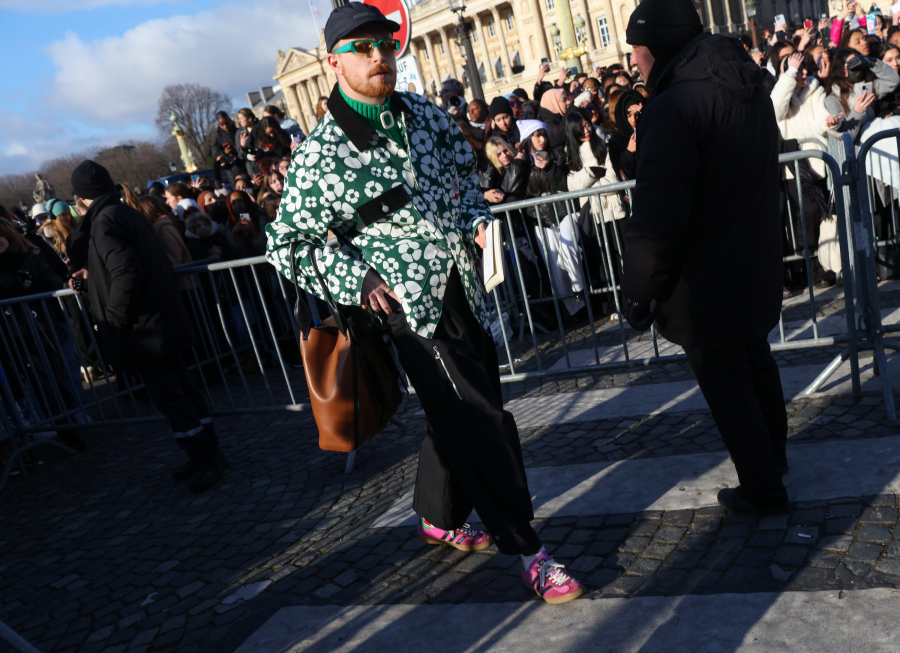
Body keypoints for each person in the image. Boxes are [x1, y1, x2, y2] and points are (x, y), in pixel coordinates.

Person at [266, 2, 584, 604]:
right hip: (410, 308)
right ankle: (528, 550)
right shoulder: (319, 155)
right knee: (483, 419)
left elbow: (464, 182)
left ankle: (437, 513)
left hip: (465, 285)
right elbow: (285, 246)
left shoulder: (423, 115)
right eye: (362, 49)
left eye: (384, 45)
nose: (379, 56)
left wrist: (477, 220)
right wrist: (355, 279)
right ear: (335, 63)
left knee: (458, 410)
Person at [622, 0, 789, 516]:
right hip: (753, 257)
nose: (635, 66)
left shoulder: (673, 108)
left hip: (704, 279)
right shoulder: (747, 86)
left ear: (659, 50)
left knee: (729, 385)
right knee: (756, 364)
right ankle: (772, 464)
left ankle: (763, 488)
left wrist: (638, 293)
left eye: (639, 54)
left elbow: (658, 216)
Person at [66, 160, 226, 492]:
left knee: (173, 398)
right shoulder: (125, 213)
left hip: (145, 329)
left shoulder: (105, 221)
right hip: (160, 320)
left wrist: (116, 320)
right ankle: (209, 452)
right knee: (183, 390)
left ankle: (204, 459)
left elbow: (126, 272)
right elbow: (124, 264)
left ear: (81, 198)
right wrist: (92, 274)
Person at [824, 47, 900, 143]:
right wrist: (857, 112)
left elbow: (894, 80)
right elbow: (845, 137)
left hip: (877, 143)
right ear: (842, 69)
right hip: (858, 152)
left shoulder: (867, 87)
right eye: (851, 64)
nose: (855, 67)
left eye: (857, 62)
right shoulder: (832, 99)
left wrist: (871, 62)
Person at [478, 137, 529, 206]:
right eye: (499, 154)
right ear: (493, 157)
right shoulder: (489, 172)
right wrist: (485, 194)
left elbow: (510, 191)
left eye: (505, 150)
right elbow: (505, 193)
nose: (504, 155)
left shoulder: (521, 162)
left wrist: (518, 164)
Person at [607, 90, 643, 181]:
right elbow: (621, 176)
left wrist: (647, 114)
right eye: (629, 115)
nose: (633, 120)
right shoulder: (616, 142)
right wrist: (629, 153)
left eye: (637, 114)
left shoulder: (651, 130)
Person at [213, 111, 242, 187]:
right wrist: (225, 153)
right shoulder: (218, 138)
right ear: (218, 123)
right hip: (231, 172)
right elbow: (217, 158)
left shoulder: (239, 132)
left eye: (227, 123)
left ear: (230, 120)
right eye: (222, 125)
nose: (225, 127)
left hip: (244, 168)